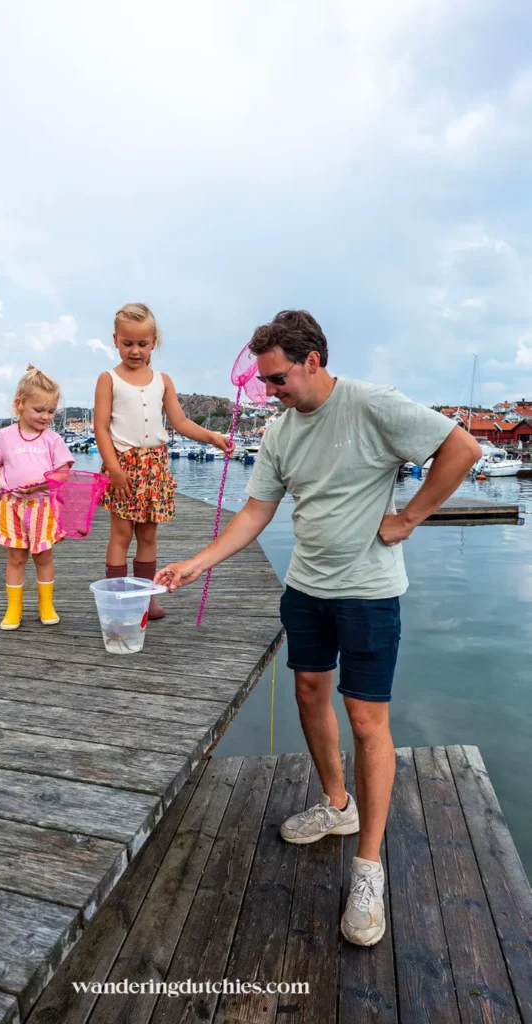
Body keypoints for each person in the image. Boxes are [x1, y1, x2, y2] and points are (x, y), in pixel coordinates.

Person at [155, 309, 481, 946]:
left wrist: (409, 517)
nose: (268, 391)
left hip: (368, 594)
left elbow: (461, 449)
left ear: (312, 361)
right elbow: (255, 511)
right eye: (262, 382)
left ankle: (368, 865)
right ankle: (336, 806)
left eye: (276, 379)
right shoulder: (280, 432)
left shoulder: (372, 405)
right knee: (309, 692)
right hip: (306, 587)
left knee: (366, 719)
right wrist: (196, 563)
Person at [94, 302, 232, 619]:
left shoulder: (162, 380)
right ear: (115, 340)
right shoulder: (108, 379)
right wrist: (113, 468)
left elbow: (180, 422)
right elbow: (100, 427)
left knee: (148, 535)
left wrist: (212, 437)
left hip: (155, 465)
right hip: (123, 465)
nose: (134, 350)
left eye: (142, 344)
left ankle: (144, 597)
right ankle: (118, 597)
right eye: (127, 343)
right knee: (121, 534)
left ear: (153, 342)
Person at [0, 365, 73, 630]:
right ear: (19, 404)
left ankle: (46, 604)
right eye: (39, 410)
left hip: (43, 506)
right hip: (13, 506)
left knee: (44, 557)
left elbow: (64, 474)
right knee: (16, 558)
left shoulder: (53, 440)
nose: (45, 417)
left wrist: (43, 483)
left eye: (51, 411)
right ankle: (14, 608)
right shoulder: (5, 437)